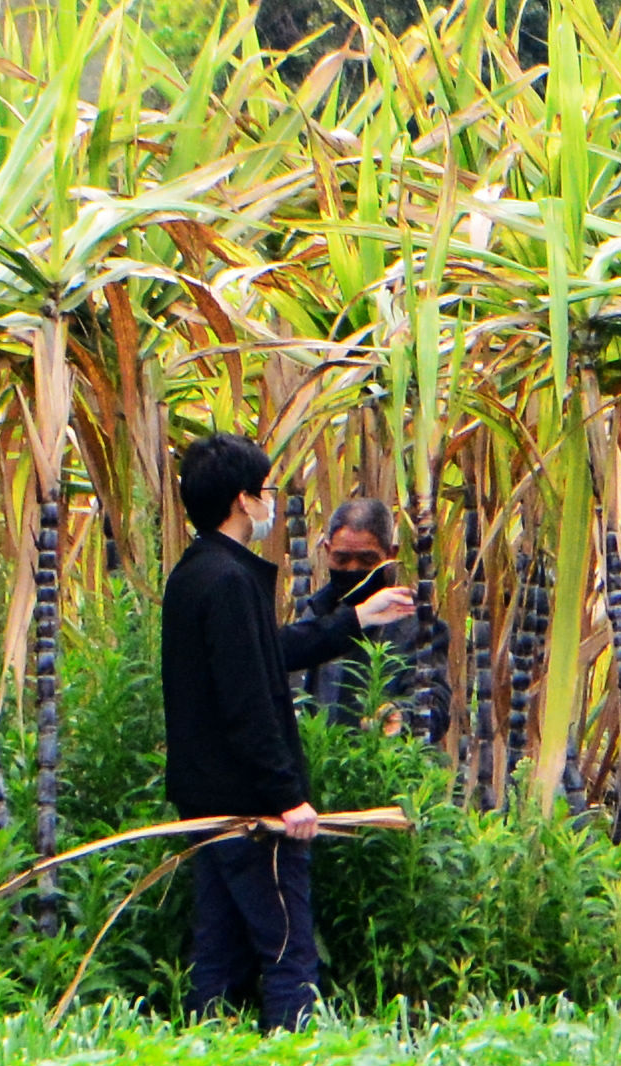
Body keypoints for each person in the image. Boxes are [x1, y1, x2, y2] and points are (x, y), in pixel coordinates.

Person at [162, 431, 414, 1029]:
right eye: (263, 490)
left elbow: (262, 653)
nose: (269, 502)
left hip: (207, 800)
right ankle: (295, 1065)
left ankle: (198, 1061)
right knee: (288, 955)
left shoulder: (197, 572)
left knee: (217, 954)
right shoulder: (229, 581)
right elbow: (247, 701)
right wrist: (287, 799)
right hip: (252, 811)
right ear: (243, 501)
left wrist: (354, 618)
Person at [297, 497, 436, 730]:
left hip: (384, 761)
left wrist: (400, 716)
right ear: (327, 551)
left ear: (390, 554)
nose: (353, 569)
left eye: (366, 560)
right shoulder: (313, 616)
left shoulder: (416, 622)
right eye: (342, 559)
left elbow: (434, 701)